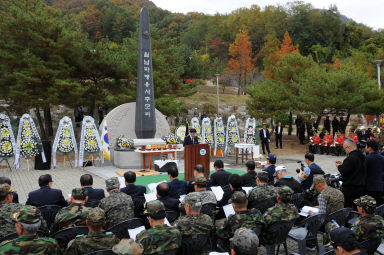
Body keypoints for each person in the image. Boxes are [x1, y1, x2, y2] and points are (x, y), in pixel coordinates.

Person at [336, 138, 366, 207]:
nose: (345, 151)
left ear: (348, 147)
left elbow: (344, 171)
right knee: (359, 207)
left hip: (351, 188)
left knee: (349, 208)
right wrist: (344, 164)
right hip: (361, 186)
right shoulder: (362, 156)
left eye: (344, 149)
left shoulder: (350, 158)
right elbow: (354, 167)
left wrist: (339, 166)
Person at [364, 140, 384, 205]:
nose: (365, 148)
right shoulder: (382, 158)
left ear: (369, 148)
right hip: (380, 186)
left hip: (369, 187)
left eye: (366, 146)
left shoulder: (366, 158)